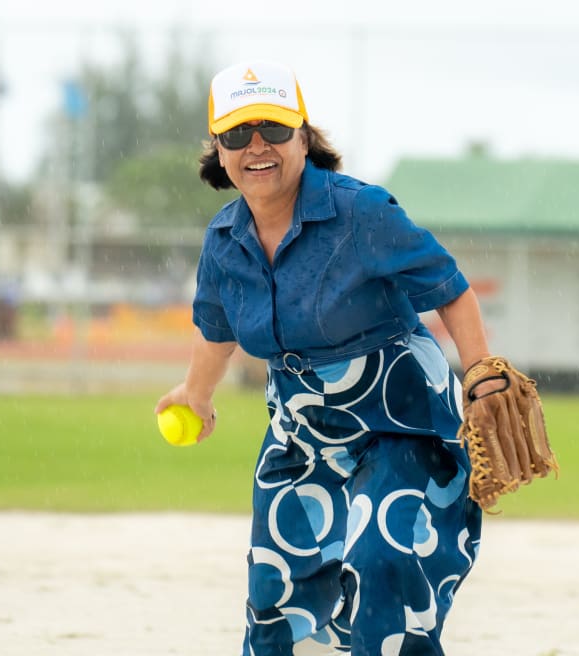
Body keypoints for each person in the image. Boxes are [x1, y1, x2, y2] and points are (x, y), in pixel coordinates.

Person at [155, 60, 498, 655]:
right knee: (274, 589)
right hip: (303, 433)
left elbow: (449, 287)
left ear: (304, 138)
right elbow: (216, 327)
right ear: (219, 149)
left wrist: (482, 375)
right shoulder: (224, 240)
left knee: (384, 561)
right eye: (237, 134)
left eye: (274, 130)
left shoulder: (360, 212)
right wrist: (196, 394)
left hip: (399, 423)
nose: (256, 147)